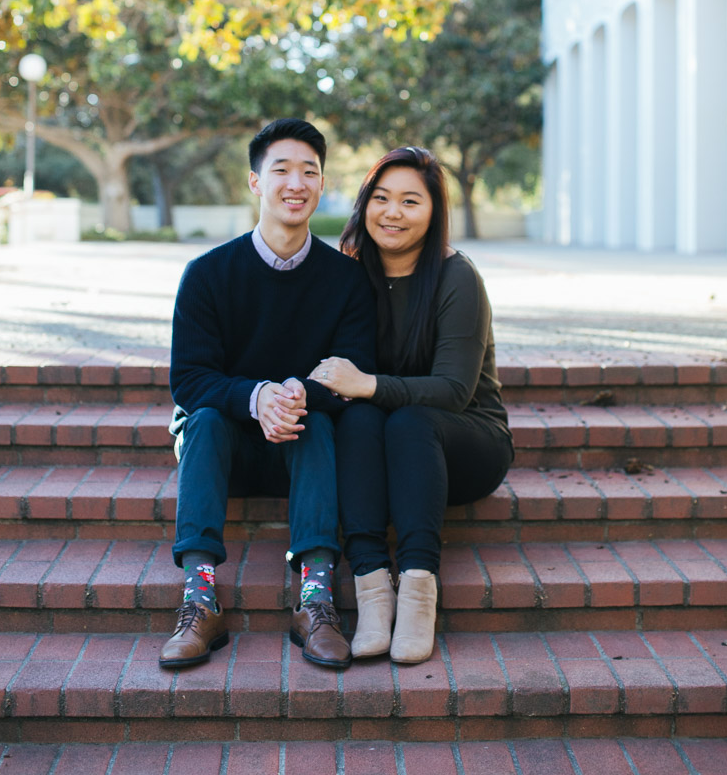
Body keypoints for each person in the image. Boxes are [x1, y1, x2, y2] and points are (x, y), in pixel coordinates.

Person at [159, 118, 376, 672]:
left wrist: (295, 397)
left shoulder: (346, 281)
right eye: (281, 170)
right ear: (255, 182)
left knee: (319, 423)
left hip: (303, 451)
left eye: (310, 172)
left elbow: (356, 370)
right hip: (224, 449)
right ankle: (199, 599)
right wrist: (257, 398)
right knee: (203, 419)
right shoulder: (208, 274)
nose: (295, 183)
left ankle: (316, 601)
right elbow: (189, 379)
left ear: (322, 185)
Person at [308, 146, 513, 664]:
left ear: (433, 211)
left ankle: (420, 594)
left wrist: (369, 385)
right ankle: (374, 592)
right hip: (386, 443)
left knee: (407, 418)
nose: (392, 213)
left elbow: (453, 392)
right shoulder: (348, 273)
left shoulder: (456, 277)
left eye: (409, 201)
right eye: (381, 198)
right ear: (364, 205)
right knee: (358, 418)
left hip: (465, 444)